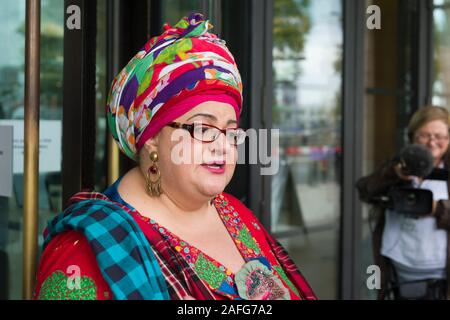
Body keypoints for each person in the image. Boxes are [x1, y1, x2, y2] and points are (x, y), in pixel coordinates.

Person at [34, 13, 316, 301]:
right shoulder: (86, 250)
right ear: (153, 138)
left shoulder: (234, 213)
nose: (222, 146)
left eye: (231, 132)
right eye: (203, 128)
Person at [357, 106, 450, 300]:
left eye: (439, 136)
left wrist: (438, 209)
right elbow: (365, 190)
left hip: (439, 272)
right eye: (425, 135)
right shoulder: (399, 166)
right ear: (412, 136)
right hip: (397, 266)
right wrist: (392, 174)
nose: (432, 142)